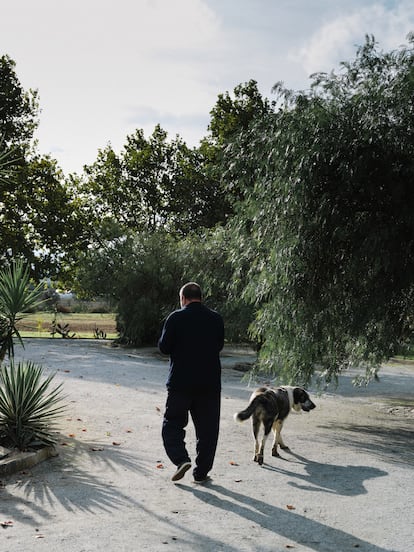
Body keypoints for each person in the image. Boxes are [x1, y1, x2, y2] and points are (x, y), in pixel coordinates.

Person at [158, 282, 224, 483]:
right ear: (201, 297)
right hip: (209, 384)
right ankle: (201, 473)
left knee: (173, 423)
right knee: (208, 430)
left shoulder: (176, 317)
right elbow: (219, 346)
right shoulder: (216, 319)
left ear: (183, 298)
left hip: (180, 382)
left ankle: (181, 459)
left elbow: (164, 347)